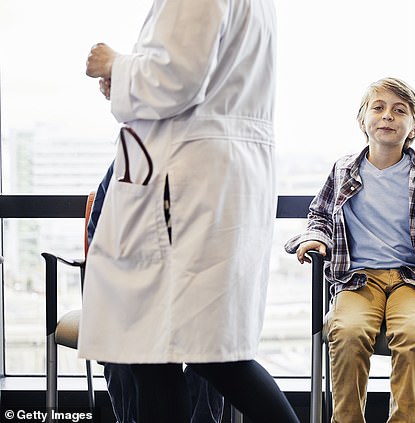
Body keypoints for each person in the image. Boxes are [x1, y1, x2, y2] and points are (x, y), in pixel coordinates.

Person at [78, 1, 299, 422]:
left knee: (195, 354)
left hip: (184, 188)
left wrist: (116, 64)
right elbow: (195, 74)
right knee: (179, 352)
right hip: (214, 179)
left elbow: (175, 79)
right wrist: (126, 78)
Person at [284, 77, 415, 422]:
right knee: (347, 332)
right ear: (362, 121)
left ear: (413, 127)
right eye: (379, 108)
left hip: (412, 281)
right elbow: (320, 215)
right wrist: (316, 238)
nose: (388, 116)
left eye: (399, 110)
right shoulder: (343, 170)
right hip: (357, 280)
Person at [87, 163, 224, 423]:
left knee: (211, 344)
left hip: (194, 291)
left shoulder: (204, 164)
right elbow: (99, 235)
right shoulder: (124, 166)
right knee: (119, 351)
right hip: (134, 291)